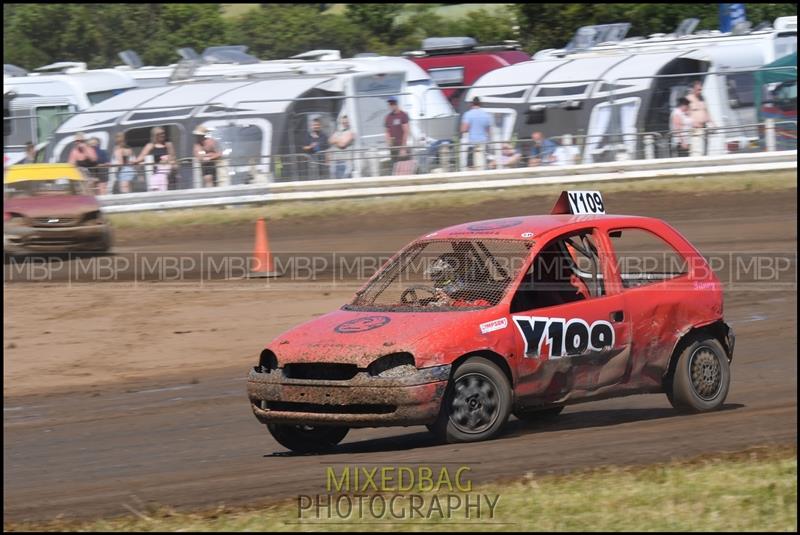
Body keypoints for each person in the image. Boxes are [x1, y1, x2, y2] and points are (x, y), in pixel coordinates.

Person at [423, 257, 491, 308]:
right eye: (437, 281)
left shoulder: (481, 302)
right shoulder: (452, 297)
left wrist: (452, 302)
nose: (438, 286)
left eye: (443, 280)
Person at [461, 96, 492, 169]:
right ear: (480, 104)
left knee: (471, 167)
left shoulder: (468, 114)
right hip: (483, 144)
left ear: (471, 104)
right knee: (483, 166)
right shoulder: (486, 115)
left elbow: (463, 129)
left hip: (472, 144)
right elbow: (489, 131)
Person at [687, 79, 713, 155]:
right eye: (698, 90)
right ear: (694, 89)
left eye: (701, 90)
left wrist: (713, 124)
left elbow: (707, 112)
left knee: (705, 152)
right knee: (696, 152)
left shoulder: (702, 99)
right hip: (695, 130)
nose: (700, 91)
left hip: (704, 128)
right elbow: (685, 114)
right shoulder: (688, 99)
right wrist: (692, 123)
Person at [328, 115, 357, 179]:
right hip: (336, 161)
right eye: (343, 122)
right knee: (334, 177)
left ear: (349, 123)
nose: (344, 124)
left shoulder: (351, 132)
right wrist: (340, 140)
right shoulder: (338, 132)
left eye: (346, 122)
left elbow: (342, 144)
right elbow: (330, 140)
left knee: (346, 178)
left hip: (347, 162)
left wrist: (336, 140)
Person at [384, 97, 410, 166]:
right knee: (394, 167)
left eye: (392, 103)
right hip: (393, 148)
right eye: (389, 104)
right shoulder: (388, 117)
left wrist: (403, 148)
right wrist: (388, 143)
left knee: (404, 167)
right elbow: (387, 132)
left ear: (396, 104)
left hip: (401, 146)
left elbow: (406, 131)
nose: (391, 105)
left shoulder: (403, 115)